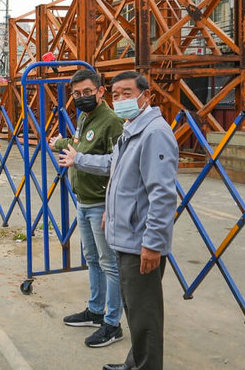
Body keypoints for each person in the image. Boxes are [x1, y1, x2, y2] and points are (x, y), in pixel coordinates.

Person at [59, 71, 178, 370]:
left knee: (145, 315)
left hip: (141, 243)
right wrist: (109, 214)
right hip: (125, 237)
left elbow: (162, 196)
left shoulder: (155, 133)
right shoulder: (132, 129)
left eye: (128, 93)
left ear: (146, 96)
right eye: (117, 95)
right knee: (136, 311)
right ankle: (134, 364)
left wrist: (153, 244)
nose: (121, 99)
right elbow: (115, 169)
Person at [50, 68, 125, 348]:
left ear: (100, 91)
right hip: (83, 200)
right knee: (92, 259)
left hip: (101, 203)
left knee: (110, 264)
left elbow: (116, 165)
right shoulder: (84, 117)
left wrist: (110, 207)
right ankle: (95, 310)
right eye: (76, 94)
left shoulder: (113, 122)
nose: (81, 98)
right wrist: (62, 142)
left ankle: (112, 322)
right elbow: (82, 146)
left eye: (86, 93)